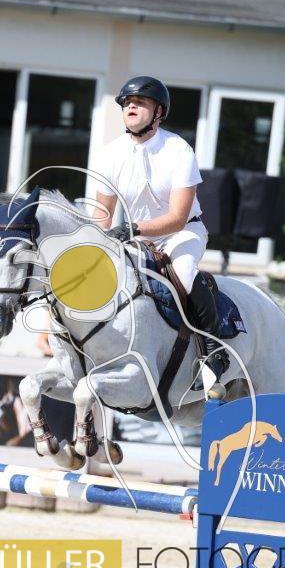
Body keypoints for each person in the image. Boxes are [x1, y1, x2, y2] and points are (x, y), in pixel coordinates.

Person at [91, 75, 227, 385]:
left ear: (159, 112)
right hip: (136, 238)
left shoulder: (178, 150)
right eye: (127, 103)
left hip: (182, 233)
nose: (131, 107)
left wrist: (132, 228)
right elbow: (102, 216)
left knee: (184, 272)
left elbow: (177, 217)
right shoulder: (110, 154)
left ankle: (214, 350)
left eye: (140, 102)